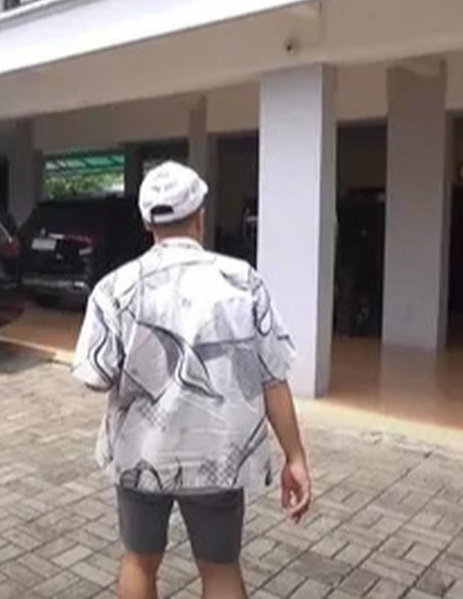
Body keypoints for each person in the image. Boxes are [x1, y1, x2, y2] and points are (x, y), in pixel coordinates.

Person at [72, 161, 311, 599]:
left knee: (139, 562)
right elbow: (273, 377)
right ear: (199, 215)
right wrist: (295, 457)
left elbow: (96, 377)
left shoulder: (113, 289)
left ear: (147, 223)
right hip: (220, 454)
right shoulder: (244, 281)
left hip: (141, 455)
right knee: (220, 569)